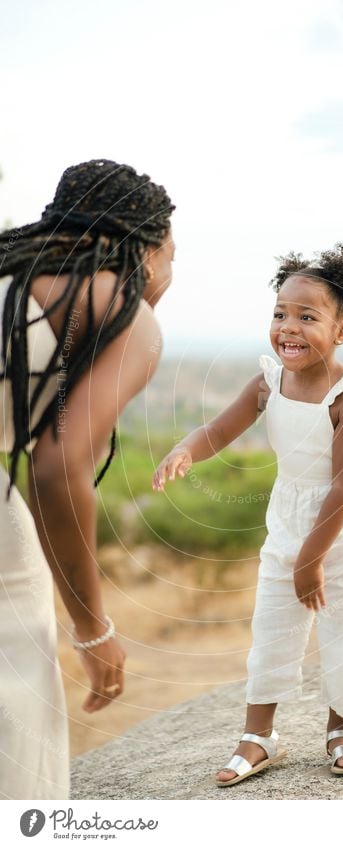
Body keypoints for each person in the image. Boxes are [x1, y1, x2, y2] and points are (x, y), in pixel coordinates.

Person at [153, 242, 343, 785]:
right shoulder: (269, 382)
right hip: (290, 516)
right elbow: (219, 428)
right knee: (274, 624)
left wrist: (314, 557)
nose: (288, 326)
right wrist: (187, 447)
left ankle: (341, 728)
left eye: (308, 317)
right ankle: (259, 736)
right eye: (280, 313)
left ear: (342, 331)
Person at [0, 159, 175, 799]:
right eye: (173, 257)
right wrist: (93, 629)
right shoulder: (126, 308)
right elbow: (57, 466)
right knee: (17, 705)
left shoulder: (12, 277)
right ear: (148, 252)